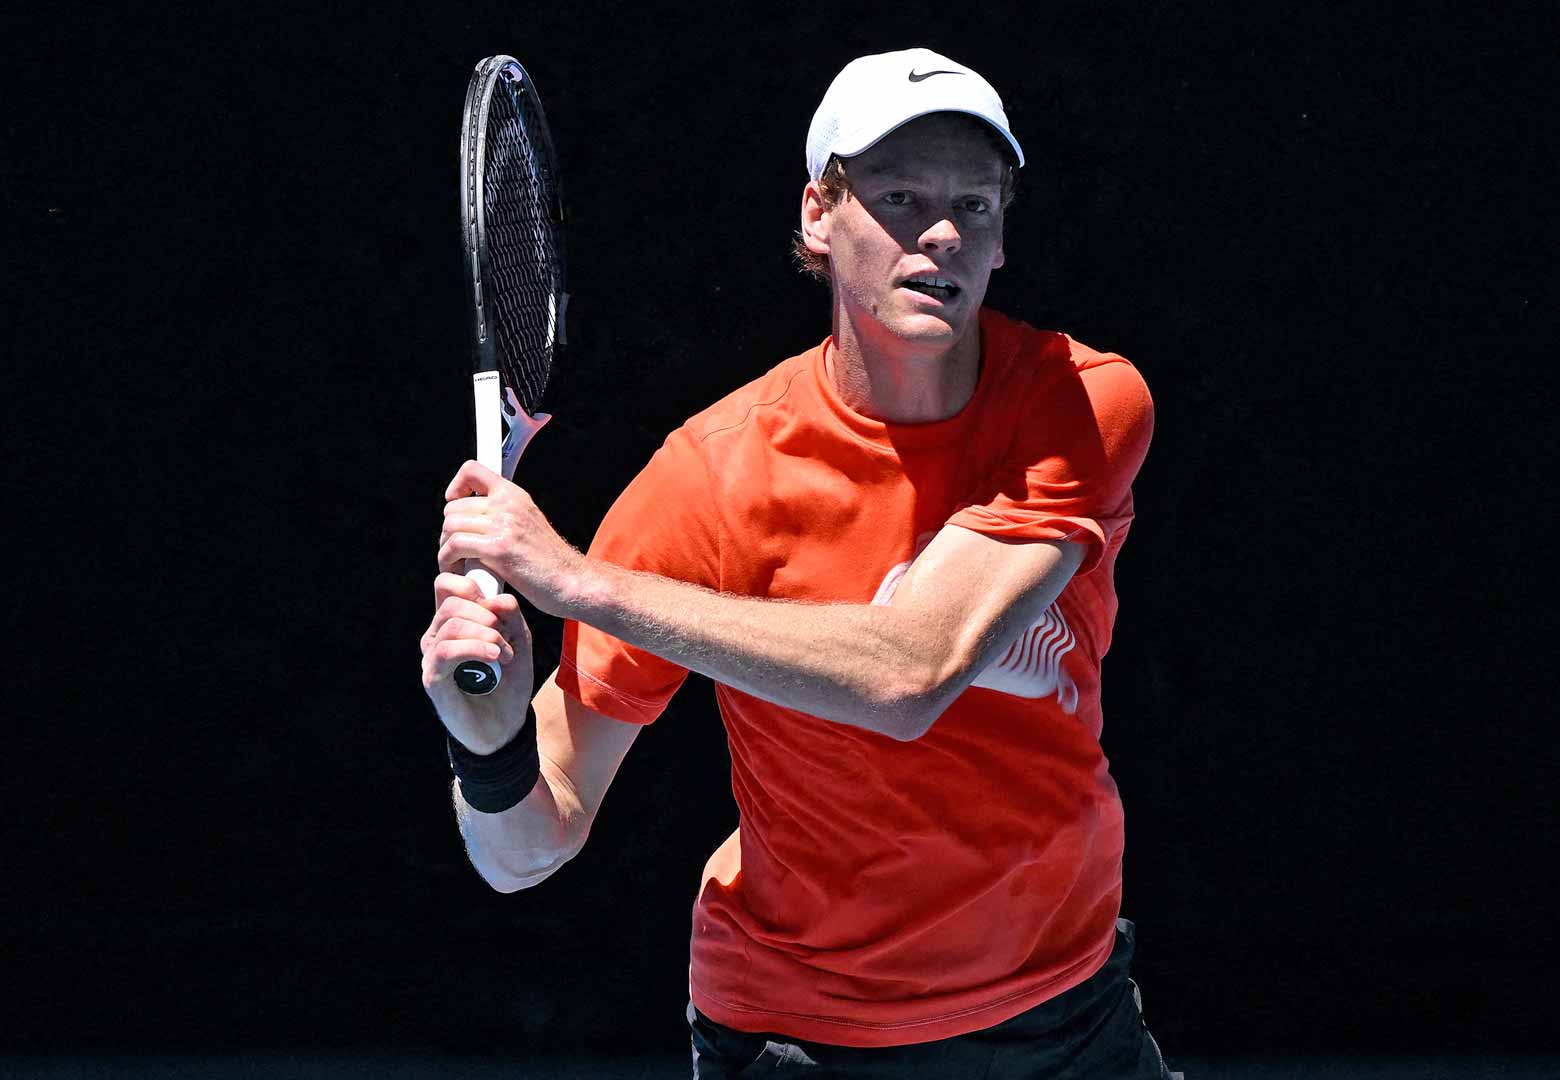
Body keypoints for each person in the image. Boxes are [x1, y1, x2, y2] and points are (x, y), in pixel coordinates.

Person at [421, 47, 1178, 1078]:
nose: (942, 233)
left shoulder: (1079, 402)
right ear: (821, 215)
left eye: (973, 204)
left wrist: (575, 583)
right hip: (807, 1037)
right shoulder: (713, 479)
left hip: (1068, 1014)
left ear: (1002, 237)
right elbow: (523, 852)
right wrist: (489, 742)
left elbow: (912, 670)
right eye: (900, 197)